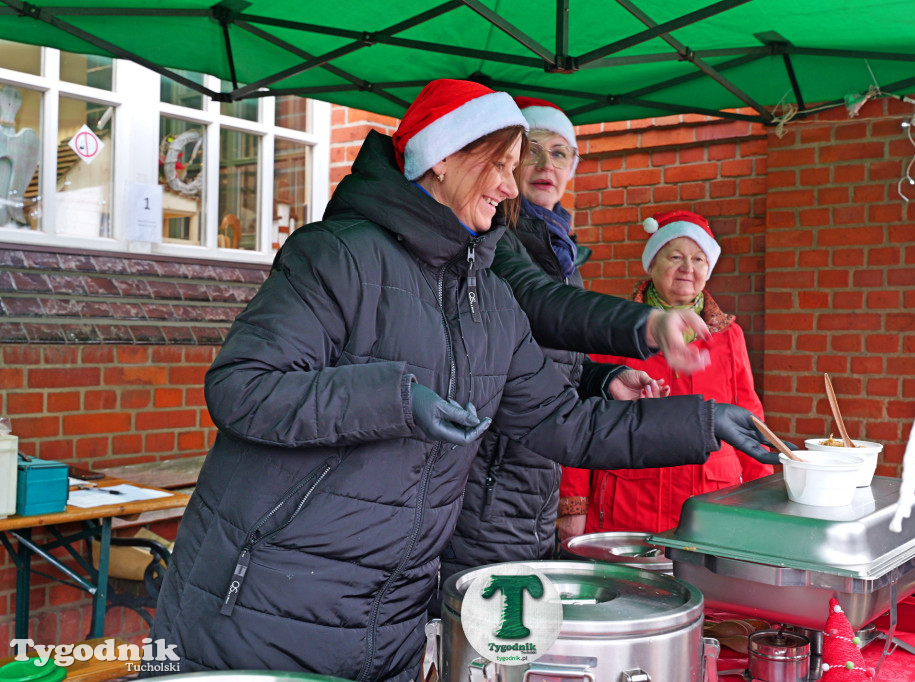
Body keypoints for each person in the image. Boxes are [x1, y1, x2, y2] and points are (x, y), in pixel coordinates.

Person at [148, 79, 776, 682]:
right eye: (500, 164)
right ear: (443, 159)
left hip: (388, 619)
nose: (510, 185)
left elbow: (563, 422)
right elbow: (242, 389)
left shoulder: (491, 299)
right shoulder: (336, 255)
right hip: (259, 604)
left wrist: (703, 421)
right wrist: (393, 398)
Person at [437, 97, 678, 599]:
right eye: (533, 151)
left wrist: (602, 378)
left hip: (534, 478)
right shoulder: (494, 237)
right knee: (486, 635)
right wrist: (648, 324)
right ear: (507, 162)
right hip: (487, 479)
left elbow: (544, 355)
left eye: (561, 154)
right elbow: (539, 305)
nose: (547, 166)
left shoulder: (559, 249)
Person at [559, 210, 775, 539]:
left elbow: (750, 416)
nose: (688, 268)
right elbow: (582, 413)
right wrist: (574, 503)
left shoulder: (729, 336)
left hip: (709, 505)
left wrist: (763, 496)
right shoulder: (618, 327)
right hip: (627, 505)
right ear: (653, 263)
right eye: (675, 256)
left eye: (699, 259)